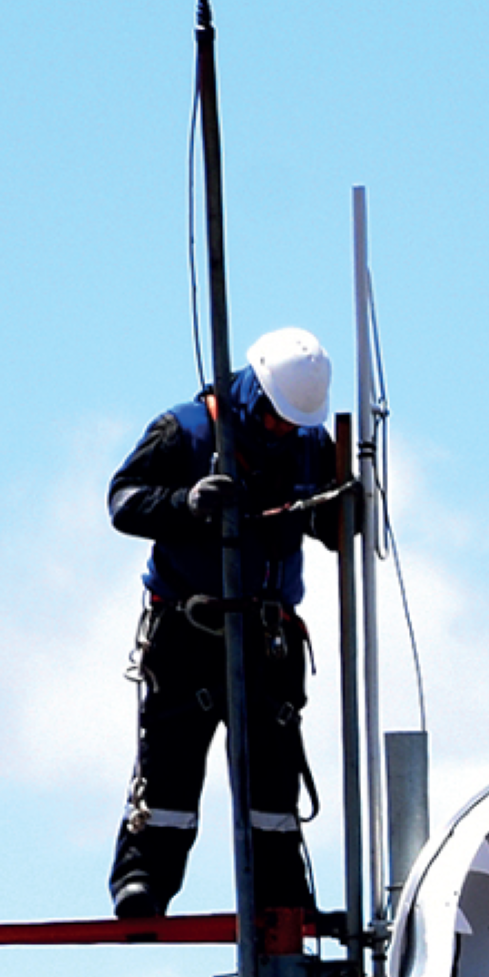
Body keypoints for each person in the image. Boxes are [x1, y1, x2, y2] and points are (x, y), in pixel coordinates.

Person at [106, 327, 346, 920]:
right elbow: (123, 500)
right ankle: (144, 880)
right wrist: (186, 505)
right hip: (189, 630)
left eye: (296, 423)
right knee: (169, 765)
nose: (285, 432)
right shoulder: (185, 430)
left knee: (272, 775)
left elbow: (328, 528)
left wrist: (344, 508)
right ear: (255, 396)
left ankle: (280, 892)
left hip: (267, 635)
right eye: (278, 421)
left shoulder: (310, 445)